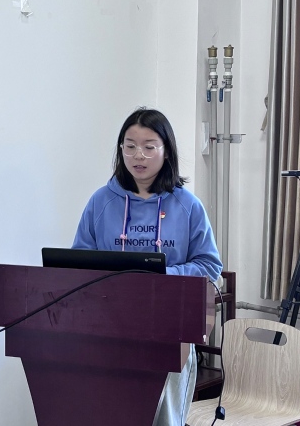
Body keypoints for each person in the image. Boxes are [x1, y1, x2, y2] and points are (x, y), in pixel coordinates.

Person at [72, 107, 222, 426]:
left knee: (164, 418)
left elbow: (210, 267)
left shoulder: (188, 206)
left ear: (166, 151)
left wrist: (162, 276)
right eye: (130, 146)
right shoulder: (101, 202)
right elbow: (78, 262)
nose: (138, 155)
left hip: (170, 330)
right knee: (110, 415)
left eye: (149, 146)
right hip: (111, 330)